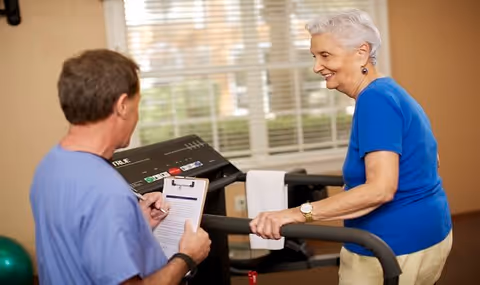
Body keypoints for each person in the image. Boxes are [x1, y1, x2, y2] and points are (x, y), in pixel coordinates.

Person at [249, 9, 453, 285]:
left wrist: (293, 214)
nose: (316, 67)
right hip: (430, 232)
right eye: (314, 56)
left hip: (391, 245)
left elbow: (380, 189)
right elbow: (430, 157)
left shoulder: (375, 101)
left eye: (325, 55)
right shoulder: (391, 92)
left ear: (362, 52)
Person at [30, 49, 211, 285]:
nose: (137, 116)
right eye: (138, 105)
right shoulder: (106, 191)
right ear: (123, 105)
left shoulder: (50, 165)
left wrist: (136, 225)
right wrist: (187, 257)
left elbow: (78, 239)